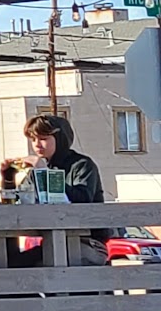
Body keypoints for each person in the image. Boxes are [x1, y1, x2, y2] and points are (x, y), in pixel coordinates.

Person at [8, 114, 110, 268]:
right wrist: (8, 178)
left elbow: (82, 200)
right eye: (33, 139)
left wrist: (44, 172)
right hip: (52, 241)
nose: (37, 145)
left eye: (43, 138)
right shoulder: (37, 171)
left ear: (60, 139)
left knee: (37, 265)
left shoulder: (82, 165)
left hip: (88, 243)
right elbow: (17, 201)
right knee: (12, 264)